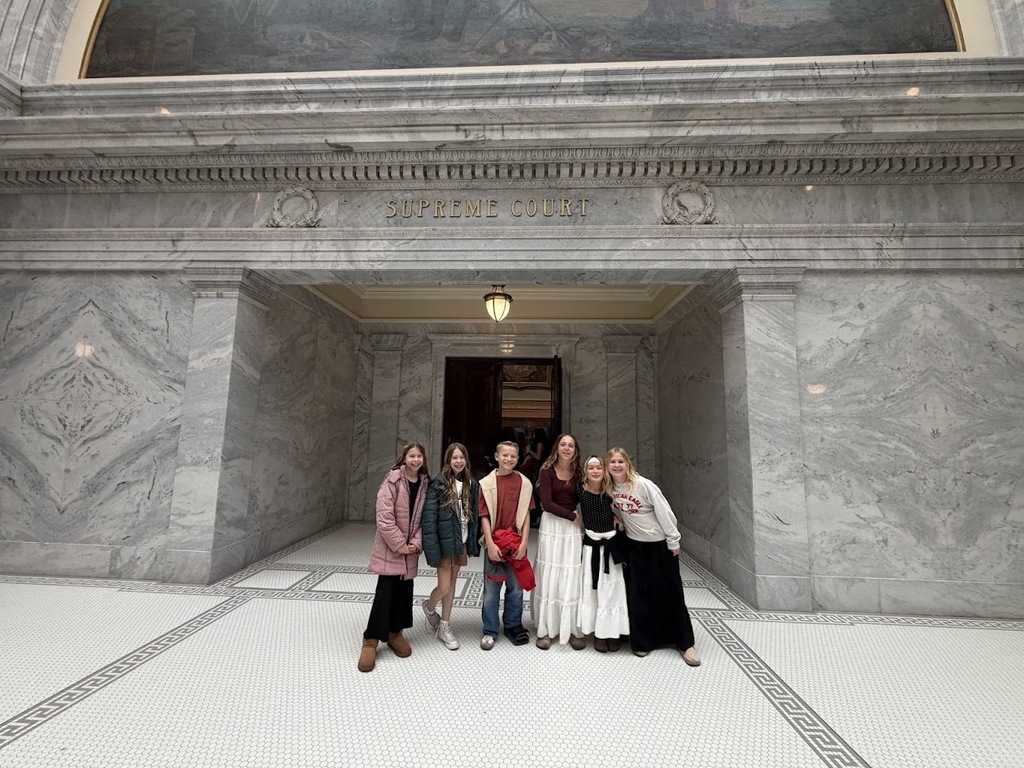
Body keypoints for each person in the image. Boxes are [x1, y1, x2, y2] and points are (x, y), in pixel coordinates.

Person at [606, 447, 701, 666]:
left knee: (671, 592)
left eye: (621, 461)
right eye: (613, 462)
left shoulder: (644, 485)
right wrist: (615, 517)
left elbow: (664, 511)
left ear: (628, 464)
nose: (617, 465)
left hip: (659, 546)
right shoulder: (611, 488)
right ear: (607, 466)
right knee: (639, 595)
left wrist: (673, 539)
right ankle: (642, 641)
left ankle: (685, 643)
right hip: (635, 547)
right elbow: (616, 509)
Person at [358, 442, 430, 673]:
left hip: (410, 550)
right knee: (385, 592)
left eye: (419, 456)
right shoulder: (392, 480)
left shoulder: (424, 482)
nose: (416, 460)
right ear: (404, 457)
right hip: (393, 547)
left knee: (404, 592)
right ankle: (371, 639)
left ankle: (395, 632)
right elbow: (384, 518)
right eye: (412, 455)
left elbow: (423, 518)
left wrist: (415, 544)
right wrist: (401, 545)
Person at [421, 442, 481, 651]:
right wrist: (431, 546)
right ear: (448, 460)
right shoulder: (438, 484)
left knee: (453, 583)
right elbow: (429, 518)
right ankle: (429, 608)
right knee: (444, 586)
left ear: (466, 460)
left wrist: (472, 542)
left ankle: (445, 625)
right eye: (454, 458)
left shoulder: (471, 484)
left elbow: (472, 517)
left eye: (461, 457)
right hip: (444, 542)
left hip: (460, 541)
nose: (458, 461)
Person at [478, 440, 534, 649]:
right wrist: (490, 544)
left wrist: (525, 542)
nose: (509, 459)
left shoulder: (524, 483)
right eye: (505, 455)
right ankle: (490, 630)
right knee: (491, 589)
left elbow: (527, 514)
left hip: (517, 543)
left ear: (518, 459)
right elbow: (484, 515)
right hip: (495, 543)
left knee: (516, 588)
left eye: (513, 456)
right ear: (496, 457)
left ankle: (512, 625)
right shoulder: (486, 483)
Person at [532, 432, 586, 650]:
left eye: (570, 445)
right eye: (563, 444)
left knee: (571, 573)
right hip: (553, 525)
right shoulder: (546, 471)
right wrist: (574, 517)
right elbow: (546, 503)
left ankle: (571, 628)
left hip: (571, 530)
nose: (566, 448)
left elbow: (588, 497)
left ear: (575, 450)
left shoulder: (578, 473)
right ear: (557, 447)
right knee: (550, 573)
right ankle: (546, 630)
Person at [576, 455, 629, 652]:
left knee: (612, 591)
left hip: (611, 547)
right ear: (585, 472)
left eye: (599, 467)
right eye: (591, 468)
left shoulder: (610, 492)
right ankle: (598, 633)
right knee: (594, 590)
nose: (596, 471)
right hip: (592, 547)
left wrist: (618, 518)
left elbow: (621, 510)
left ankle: (612, 631)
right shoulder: (580, 491)